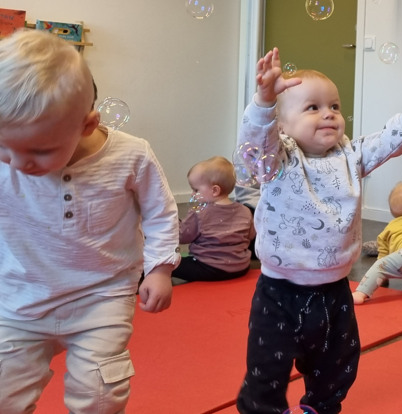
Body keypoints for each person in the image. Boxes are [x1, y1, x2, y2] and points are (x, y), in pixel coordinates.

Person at [235, 47, 402, 414]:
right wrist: (264, 101)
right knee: (266, 370)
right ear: (283, 126)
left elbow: (388, 141)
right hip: (279, 292)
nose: (328, 115)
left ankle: (319, 407)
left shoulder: (350, 155)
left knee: (338, 363)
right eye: (313, 107)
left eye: (334, 107)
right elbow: (255, 145)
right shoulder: (278, 160)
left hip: (335, 290)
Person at [0, 30, 180, 413]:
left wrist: (160, 268)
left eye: (38, 151)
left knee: (100, 395)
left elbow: (160, 212)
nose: (17, 163)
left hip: (102, 298)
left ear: (86, 124)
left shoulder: (131, 156)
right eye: (3, 147)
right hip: (18, 300)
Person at [174, 156, 256, 282]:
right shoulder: (245, 210)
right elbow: (250, 236)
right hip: (241, 268)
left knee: (167, 263)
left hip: (207, 269)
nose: (192, 194)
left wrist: (175, 223)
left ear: (215, 190)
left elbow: (182, 237)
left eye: (196, 190)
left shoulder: (199, 213)